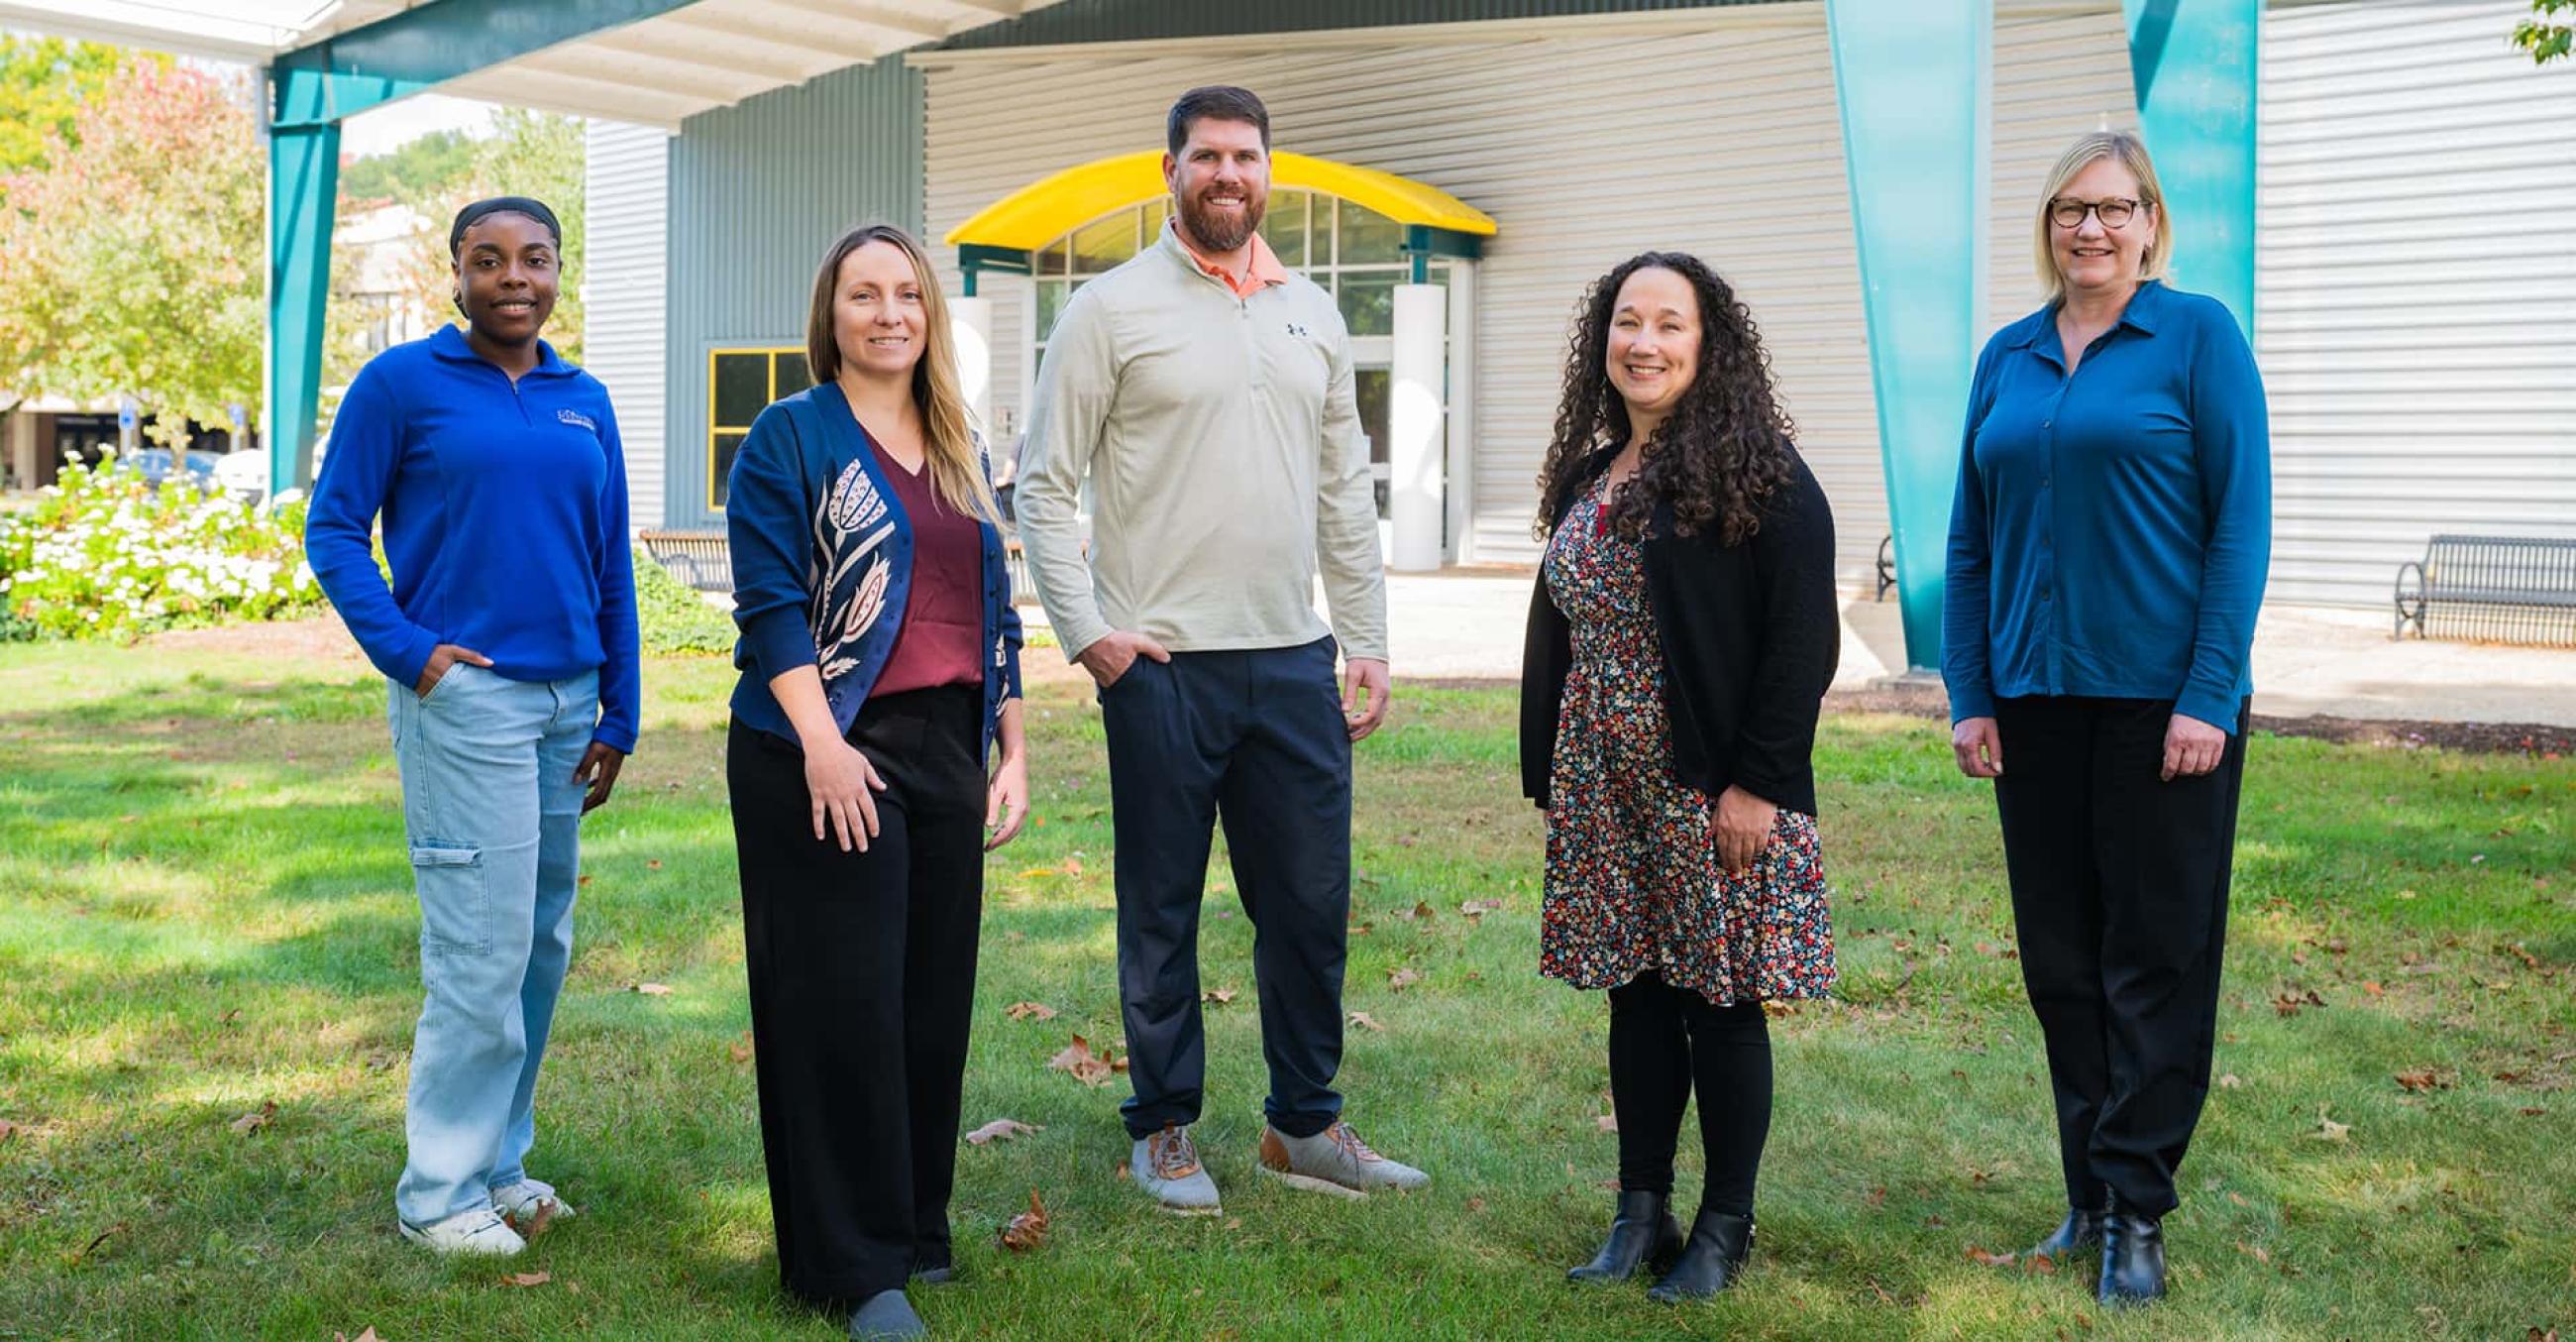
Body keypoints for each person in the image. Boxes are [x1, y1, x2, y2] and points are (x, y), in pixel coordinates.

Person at [1016, 84, 1426, 1214]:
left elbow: (1345, 489)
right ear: (1170, 172)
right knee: (1162, 907)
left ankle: (1305, 1126)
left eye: (1245, 158)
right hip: (1161, 665)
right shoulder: (1107, 308)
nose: (1227, 175)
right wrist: (1087, 635)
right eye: (1206, 157)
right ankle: (1163, 1130)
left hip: (1292, 659)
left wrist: (1368, 635)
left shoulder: (1314, 313)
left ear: (1267, 173)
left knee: (1306, 903)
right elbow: (1042, 487)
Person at [1944, 130, 2270, 1307]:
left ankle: (2137, 1203)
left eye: (2113, 209)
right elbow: (1968, 539)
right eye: (2070, 211)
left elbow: (2238, 527)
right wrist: (1968, 691)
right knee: (2061, 962)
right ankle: (2084, 1189)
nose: (2090, 229)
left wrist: (2207, 693)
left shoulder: (2196, 339)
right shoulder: (2008, 355)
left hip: (2157, 708)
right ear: (2047, 226)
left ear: (2148, 223)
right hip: (2033, 705)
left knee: (2156, 957)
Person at [305, 196, 638, 1257]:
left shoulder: (584, 398)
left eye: (532, 259)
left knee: (538, 945)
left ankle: (500, 1163)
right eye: (486, 260)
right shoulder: (400, 385)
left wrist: (620, 709)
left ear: (555, 273)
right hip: (468, 703)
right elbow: (333, 528)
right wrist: (413, 653)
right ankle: (440, 1192)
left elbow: (608, 563)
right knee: (478, 950)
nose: (511, 277)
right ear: (454, 274)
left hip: (566, 704)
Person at [723, 222, 1028, 1341]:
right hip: (819, 746)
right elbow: (768, 604)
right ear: (832, 314)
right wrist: (818, 742)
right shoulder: (788, 436)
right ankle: (850, 1270)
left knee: (927, 1000)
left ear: (929, 314)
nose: (889, 312)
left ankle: (912, 1231)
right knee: (838, 1003)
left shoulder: (956, 442)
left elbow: (992, 608)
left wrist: (1012, 740)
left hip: (945, 747)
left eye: (907, 293)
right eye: (865, 294)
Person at [1521, 252, 1839, 1301]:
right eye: (1624, 321)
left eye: (1668, 324)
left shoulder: (1762, 475)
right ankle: (1639, 1212)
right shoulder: (1589, 475)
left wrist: (1757, 783)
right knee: (1638, 996)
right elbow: (1561, 628)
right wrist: (1551, 768)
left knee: (1722, 999)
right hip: (1605, 783)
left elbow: (1802, 642)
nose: (1642, 343)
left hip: (1709, 786)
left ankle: (1722, 1227)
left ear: (1708, 345)